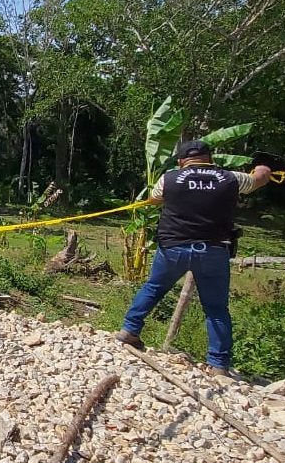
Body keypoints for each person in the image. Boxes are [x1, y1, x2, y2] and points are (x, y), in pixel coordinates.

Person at [116, 140, 272, 376]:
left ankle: (130, 330)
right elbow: (260, 179)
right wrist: (263, 169)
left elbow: (155, 198)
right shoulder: (231, 178)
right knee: (216, 308)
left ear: (181, 161)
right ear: (210, 158)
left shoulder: (169, 179)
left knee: (154, 288)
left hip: (173, 248)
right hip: (213, 250)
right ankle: (219, 364)